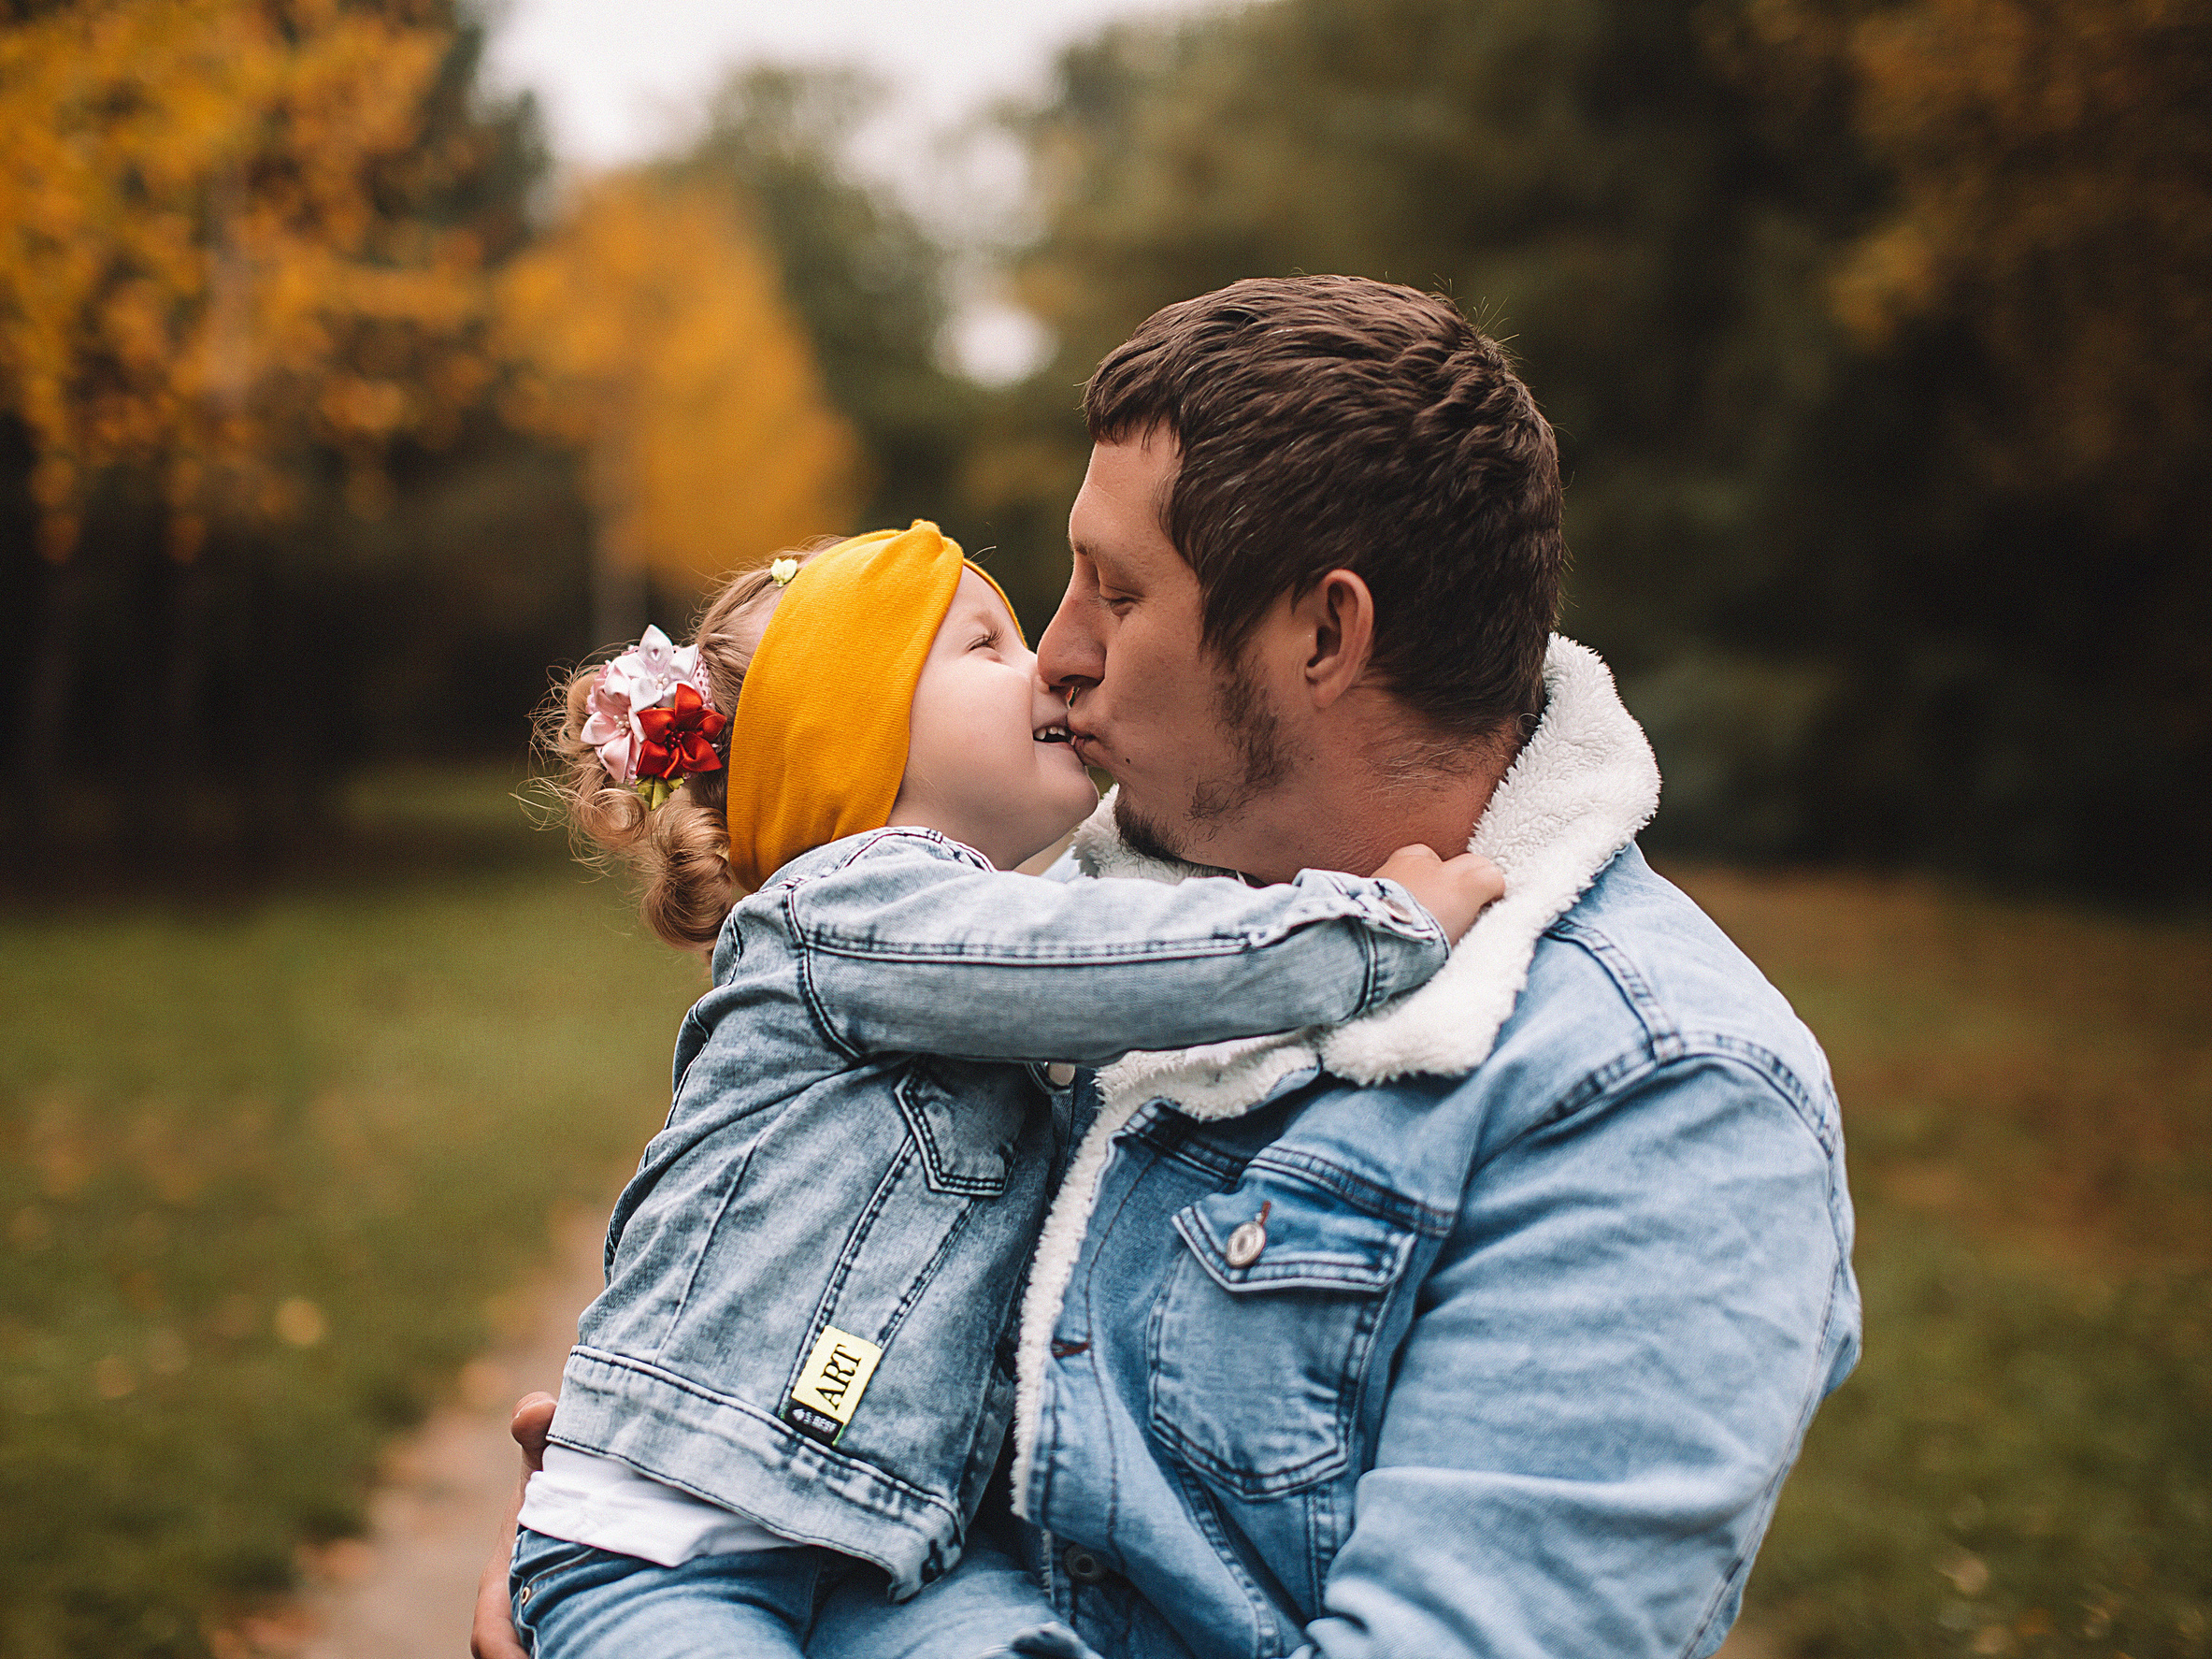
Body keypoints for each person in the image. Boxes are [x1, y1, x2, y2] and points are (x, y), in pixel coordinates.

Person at [481, 275, 1860, 1659]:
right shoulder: (1055, 916)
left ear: (1324, 635)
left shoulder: (1660, 1091)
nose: (1059, 655)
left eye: (1118, 592)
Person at [506, 520, 1505, 1659]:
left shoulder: (950, 942)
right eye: (986, 644)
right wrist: (1379, 924)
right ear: (856, 731)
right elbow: (1129, 963)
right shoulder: (855, 905)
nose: (1047, 668)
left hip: (876, 1547)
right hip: (661, 1538)